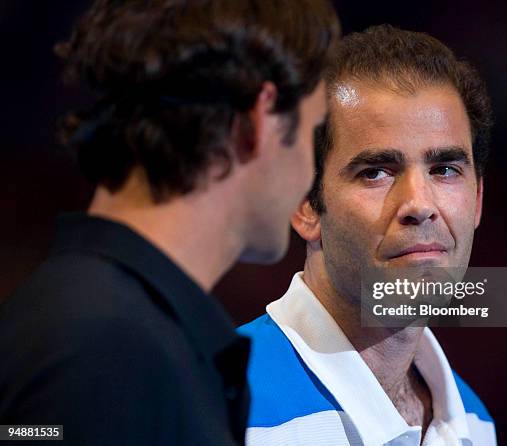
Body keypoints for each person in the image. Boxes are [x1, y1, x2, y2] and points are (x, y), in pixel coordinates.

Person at [0, 1, 339, 445]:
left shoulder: (94, 326)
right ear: (259, 121)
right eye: (314, 133)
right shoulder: (108, 349)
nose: (310, 174)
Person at [239, 25, 497, 445]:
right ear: (304, 203)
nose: (419, 204)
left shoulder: (476, 423)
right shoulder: (224, 406)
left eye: (445, 170)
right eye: (375, 172)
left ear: (478, 199)